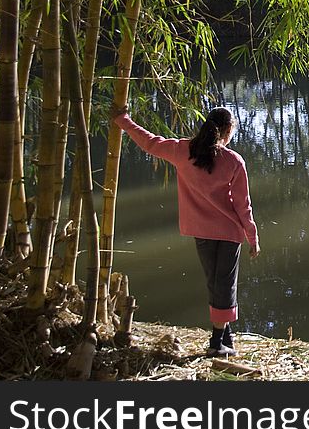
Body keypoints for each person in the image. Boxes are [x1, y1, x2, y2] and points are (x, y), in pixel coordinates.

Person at [111, 104, 260, 357]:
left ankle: (225, 336)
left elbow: (149, 142)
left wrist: (123, 120)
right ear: (227, 131)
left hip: (200, 230)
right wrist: (252, 237)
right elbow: (243, 205)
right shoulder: (233, 161)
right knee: (223, 284)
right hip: (228, 232)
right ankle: (216, 343)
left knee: (215, 282)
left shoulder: (183, 150)